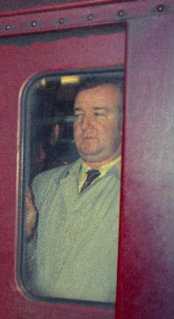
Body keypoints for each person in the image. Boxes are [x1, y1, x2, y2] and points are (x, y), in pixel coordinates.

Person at [28, 77, 123, 303]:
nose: (84, 124)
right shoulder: (43, 185)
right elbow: (25, 269)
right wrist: (27, 234)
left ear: (124, 122)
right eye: (79, 114)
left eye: (98, 113)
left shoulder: (138, 191)